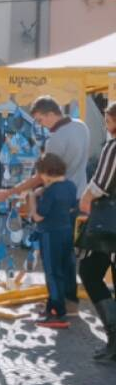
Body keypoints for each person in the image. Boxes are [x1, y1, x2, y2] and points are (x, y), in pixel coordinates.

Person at [0, 96, 90, 308]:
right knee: (67, 254)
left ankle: (57, 304)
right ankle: (69, 301)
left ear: (50, 114)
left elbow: (42, 176)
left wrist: (11, 192)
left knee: (53, 258)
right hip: (77, 196)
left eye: (39, 119)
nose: (39, 124)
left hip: (56, 203)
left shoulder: (55, 138)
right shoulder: (81, 126)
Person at [78, 101, 116, 359]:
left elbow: (100, 183)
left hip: (109, 223)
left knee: (89, 271)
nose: (106, 124)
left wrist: (85, 198)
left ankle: (114, 339)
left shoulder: (113, 146)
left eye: (108, 119)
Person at [30, 153, 78, 328]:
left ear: (46, 172)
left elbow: (38, 217)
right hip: (66, 232)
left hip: (50, 235)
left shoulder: (50, 191)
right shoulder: (70, 186)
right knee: (64, 270)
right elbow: (73, 207)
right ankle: (53, 307)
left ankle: (57, 313)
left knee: (52, 273)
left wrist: (33, 197)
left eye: (40, 174)